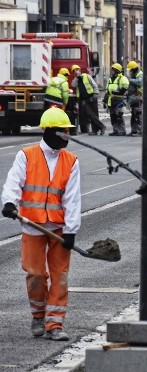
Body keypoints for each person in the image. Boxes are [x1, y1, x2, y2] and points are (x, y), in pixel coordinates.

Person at [1, 108, 81, 342]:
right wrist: (9, 202)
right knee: (35, 275)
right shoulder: (27, 155)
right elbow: (13, 182)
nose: (68, 135)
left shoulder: (71, 161)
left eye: (68, 131)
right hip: (33, 226)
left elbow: (72, 199)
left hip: (58, 228)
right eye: (64, 131)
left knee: (61, 277)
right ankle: (38, 315)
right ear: (50, 131)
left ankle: (54, 324)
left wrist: (71, 231)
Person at [71, 65, 105, 136]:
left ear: (80, 70)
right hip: (84, 99)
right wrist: (76, 78)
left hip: (92, 97)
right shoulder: (76, 79)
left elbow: (94, 85)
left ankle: (98, 129)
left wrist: (95, 94)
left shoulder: (87, 76)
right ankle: (99, 128)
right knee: (90, 114)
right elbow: (73, 85)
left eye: (77, 70)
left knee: (93, 114)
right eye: (74, 71)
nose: (76, 72)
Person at [104, 63, 129, 136]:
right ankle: (115, 130)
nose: (111, 71)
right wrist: (105, 100)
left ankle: (122, 130)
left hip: (119, 100)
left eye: (112, 70)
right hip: (111, 100)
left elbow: (126, 86)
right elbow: (107, 91)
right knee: (113, 116)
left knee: (119, 115)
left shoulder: (122, 78)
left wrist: (120, 92)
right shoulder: (110, 79)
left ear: (117, 71)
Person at [126, 61, 143, 136]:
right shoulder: (133, 75)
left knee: (138, 114)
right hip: (133, 97)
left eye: (130, 70)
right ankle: (134, 130)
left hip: (138, 97)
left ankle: (140, 131)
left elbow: (139, 83)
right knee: (133, 115)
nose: (129, 72)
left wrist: (130, 80)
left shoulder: (140, 75)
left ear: (133, 69)